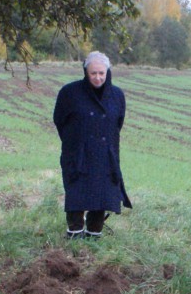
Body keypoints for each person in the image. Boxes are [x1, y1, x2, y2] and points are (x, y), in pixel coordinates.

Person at [53, 51, 132, 239]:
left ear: (108, 72)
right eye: (93, 73)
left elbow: (117, 123)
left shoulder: (117, 95)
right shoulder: (69, 93)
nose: (97, 77)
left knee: (102, 193)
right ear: (85, 72)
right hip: (77, 152)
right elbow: (59, 120)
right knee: (77, 191)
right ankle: (74, 234)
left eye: (101, 73)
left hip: (106, 154)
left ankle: (94, 235)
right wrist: (76, 141)